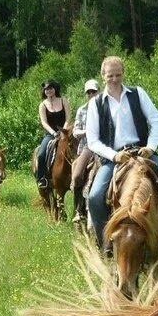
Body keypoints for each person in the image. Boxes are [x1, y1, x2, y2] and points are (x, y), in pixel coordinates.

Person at [85, 56, 158, 252]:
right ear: (103, 76)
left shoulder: (138, 94)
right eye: (110, 75)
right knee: (95, 197)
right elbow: (92, 140)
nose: (114, 79)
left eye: (118, 75)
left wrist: (151, 147)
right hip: (114, 157)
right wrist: (114, 155)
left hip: (142, 151)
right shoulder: (96, 103)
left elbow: (157, 122)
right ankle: (106, 243)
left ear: (123, 74)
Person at [71, 79, 100, 223]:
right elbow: (75, 131)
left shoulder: (105, 107)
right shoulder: (82, 110)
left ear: (98, 92)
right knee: (77, 175)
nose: (91, 94)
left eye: (93, 91)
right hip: (88, 147)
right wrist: (89, 131)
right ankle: (78, 209)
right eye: (88, 92)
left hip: (105, 147)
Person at [35, 80, 73, 189]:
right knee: (41, 154)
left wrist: (63, 131)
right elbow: (44, 122)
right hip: (50, 134)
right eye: (46, 89)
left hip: (65, 132)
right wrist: (53, 133)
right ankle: (42, 178)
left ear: (55, 89)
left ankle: (79, 177)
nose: (48, 91)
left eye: (50, 88)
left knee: (75, 149)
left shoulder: (63, 101)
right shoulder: (42, 105)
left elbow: (68, 118)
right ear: (44, 91)